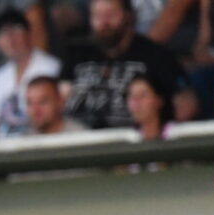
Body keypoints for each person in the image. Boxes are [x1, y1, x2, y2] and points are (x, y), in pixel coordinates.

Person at [59, 0, 186, 130]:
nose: (104, 23)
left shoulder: (155, 55)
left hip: (137, 137)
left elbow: (184, 104)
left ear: (128, 16)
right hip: (79, 137)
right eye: (97, 16)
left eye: (110, 15)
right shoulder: (76, 55)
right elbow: (59, 99)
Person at [0, 10, 61, 138]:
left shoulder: (51, 67)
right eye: (3, 33)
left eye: (16, 30)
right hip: (4, 144)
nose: (10, 38)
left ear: (29, 34)